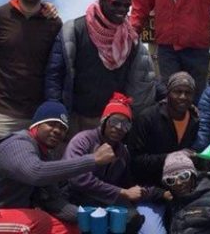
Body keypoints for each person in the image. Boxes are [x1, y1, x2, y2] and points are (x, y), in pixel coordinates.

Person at [0, 101, 116, 234]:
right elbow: (35, 173)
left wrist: (90, 215)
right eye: (52, 124)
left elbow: (53, 202)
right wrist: (93, 159)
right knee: (39, 221)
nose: (57, 131)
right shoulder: (18, 144)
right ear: (36, 125)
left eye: (62, 128)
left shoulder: (44, 154)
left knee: (72, 229)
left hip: (9, 220)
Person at [44, 0, 156, 136]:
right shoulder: (75, 30)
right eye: (116, 3)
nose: (122, 9)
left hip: (110, 123)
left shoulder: (131, 39)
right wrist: (55, 113)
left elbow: (141, 82)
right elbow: (55, 73)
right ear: (102, 2)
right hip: (73, 117)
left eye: (126, 5)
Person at [63, 92, 167, 234]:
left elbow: (129, 185)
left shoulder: (123, 153)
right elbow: (77, 179)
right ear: (104, 120)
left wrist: (159, 193)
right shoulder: (82, 141)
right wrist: (122, 192)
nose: (119, 127)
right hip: (75, 198)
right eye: (115, 121)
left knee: (133, 218)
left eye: (125, 124)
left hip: (103, 200)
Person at [0, 0, 62, 138]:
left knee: (31, 166)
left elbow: (58, 67)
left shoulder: (53, 23)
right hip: (1, 112)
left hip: (37, 116)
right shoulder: (0, 16)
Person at [128, 72, 199, 187]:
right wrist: (174, 157)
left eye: (188, 93)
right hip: (148, 186)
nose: (183, 97)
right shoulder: (147, 118)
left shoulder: (195, 120)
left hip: (182, 185)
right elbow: (135, 160)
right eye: (177, 91)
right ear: (168, 93)